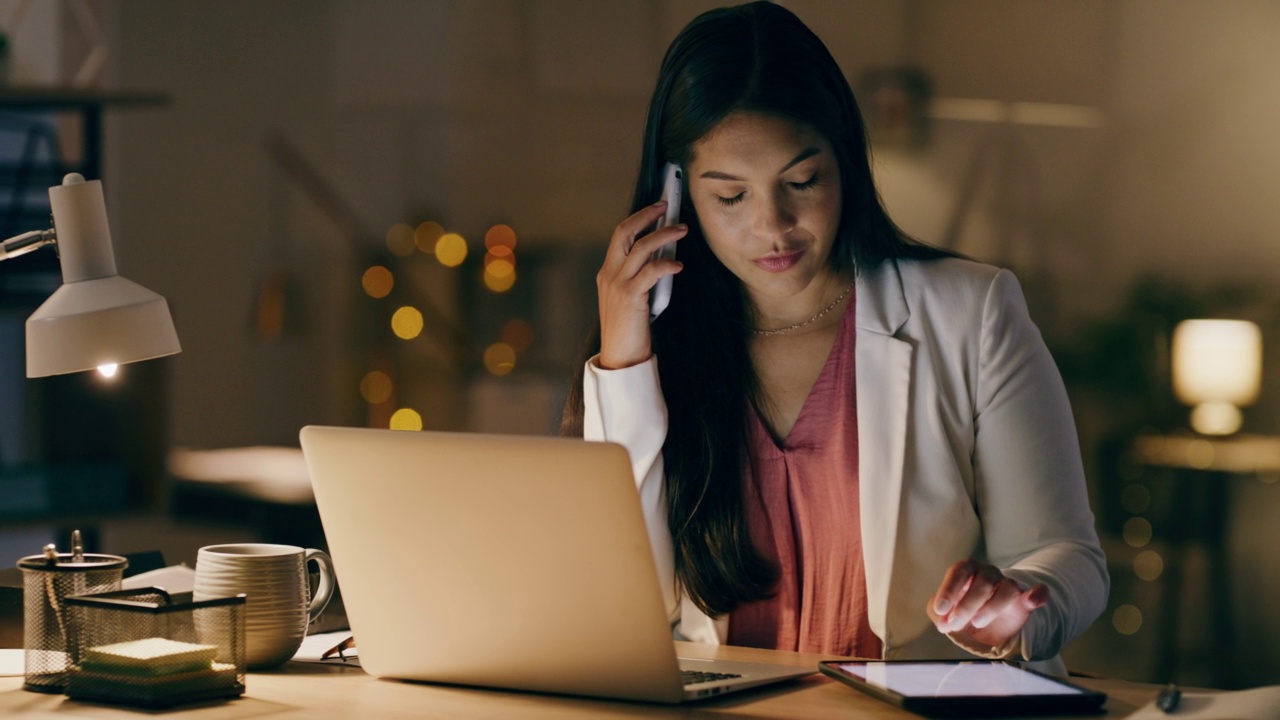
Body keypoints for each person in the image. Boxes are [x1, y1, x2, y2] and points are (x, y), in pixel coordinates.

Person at [561, 1, 1106, 674]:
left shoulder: (972, 313)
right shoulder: (659, 349)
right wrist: (624, 360)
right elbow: (618, 606)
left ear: (844, 161)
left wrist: (1023, 604)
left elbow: (1070, 556)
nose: (774, 226)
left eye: (802, 181)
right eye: (730, 197)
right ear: (674, 197)